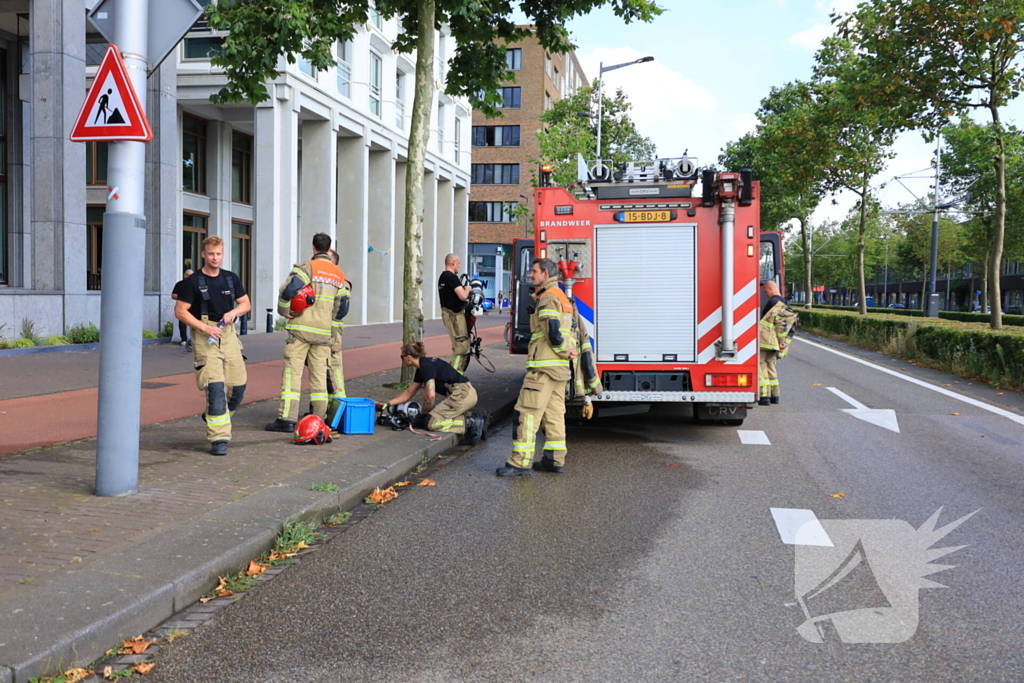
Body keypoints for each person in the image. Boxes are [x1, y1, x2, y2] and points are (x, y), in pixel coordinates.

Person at [497, 258, 577, 477]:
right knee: (554, 416)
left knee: (527, 413)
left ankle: (519, 463)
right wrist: (567, 352)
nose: (531, 275)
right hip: (559, 370)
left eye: (534, 271)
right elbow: (568, 331)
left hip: (543, 368)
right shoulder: (562, 297)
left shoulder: (548, 298)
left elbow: (553, 332)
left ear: (545, 274)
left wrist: (562, 350)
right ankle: (554, 460)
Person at [174, 237, 250, 456]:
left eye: (218, 254)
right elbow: (180, 311)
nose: (215, 258)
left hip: (228, 335)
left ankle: (214, 416)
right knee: (216, 388)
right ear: (203, 255)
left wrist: (234, 312)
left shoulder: (230, 278)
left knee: (238, 388)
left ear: (223, 255)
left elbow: (246, 303)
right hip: (205, 336)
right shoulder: (193, 281)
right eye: (211, 254)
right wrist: (205, 328)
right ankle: (219, 439)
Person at [265, 233, 348, 433]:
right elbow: (343, 306)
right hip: (323, 334)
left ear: (313, 247)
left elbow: (289, 290)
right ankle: (317, 420)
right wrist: (331, 324)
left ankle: (287, 419)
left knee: (292, 374)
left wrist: (285, 312)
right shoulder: (338, 274)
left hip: (301, 331)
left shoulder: (306, 268)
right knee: (319, 376)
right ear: (329, 250)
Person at [381, 341, 487, 445]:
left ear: (408, 357)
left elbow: (430, 395)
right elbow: (409, 393)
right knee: (433, 418)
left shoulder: (426, 367)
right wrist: (388, 404)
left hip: (462, 395)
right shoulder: (423, 366)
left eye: (402, 357)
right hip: (466, 393)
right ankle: (476, 416)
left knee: (431, 423)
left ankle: (471, 423)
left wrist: (425, 412)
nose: (402, 360)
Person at [759, 280, 798, 406]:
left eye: (765, 291)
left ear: (770, 288)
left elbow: (767, 322)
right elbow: (792, 324)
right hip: (774, 343)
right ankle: (775, 395)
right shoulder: (785, 303)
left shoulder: (773, 302)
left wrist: (781, 341)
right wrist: (784, 342)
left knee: (760, 365)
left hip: (765, 341)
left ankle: (764, 396)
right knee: (771, 366)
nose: (766, 295)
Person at [325, 248, 350, 404]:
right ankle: (326, 407)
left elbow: (341, 309)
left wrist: (331, 332)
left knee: (333, 369)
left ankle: (338, 406)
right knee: (323, 371)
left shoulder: (339, 281)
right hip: (323, 331)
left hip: (331, 333)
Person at [438, 253, 471, 373]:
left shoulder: (442, 277)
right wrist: (467, 289)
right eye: (459, 263)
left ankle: (455, 374)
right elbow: (462, 296)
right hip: (455, 316)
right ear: (453, 263)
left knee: (458, 344)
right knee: (461, 347)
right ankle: (454, 374)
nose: (459, 266)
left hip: (448, 315)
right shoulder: (451, 277)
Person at [171, 269, 194, 350]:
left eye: (191, 275)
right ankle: (183, 339)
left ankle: (194, 340)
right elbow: (173, 295)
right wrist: (184, 296)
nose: (189, 277)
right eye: (187, 275)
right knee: (182, 323)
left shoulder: (197, 284)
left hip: (194, 307)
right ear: (184, 276)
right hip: (183, 307)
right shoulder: (180, 284)